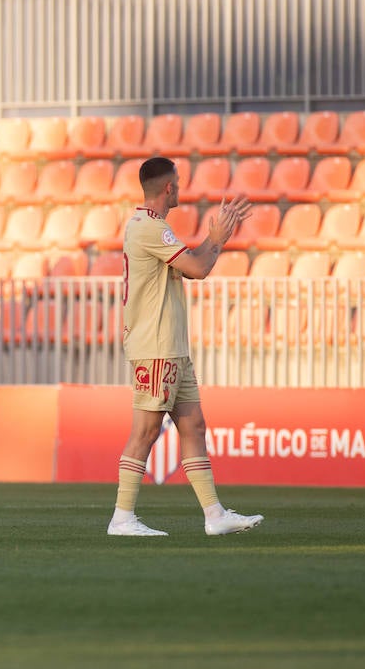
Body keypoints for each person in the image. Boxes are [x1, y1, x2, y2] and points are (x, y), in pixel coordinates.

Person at [107, 156, 263, 538]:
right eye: (178, 181)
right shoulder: (150, 229)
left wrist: (214, 241)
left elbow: (192, 267)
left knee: (193, 425)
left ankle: (214, 515)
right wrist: (218, 238)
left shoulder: (153, 229)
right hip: (156, 346)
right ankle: (122, 518)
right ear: (169, 188)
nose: (180, 186)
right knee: (145, 431)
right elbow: (198, 267)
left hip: (172, 347)